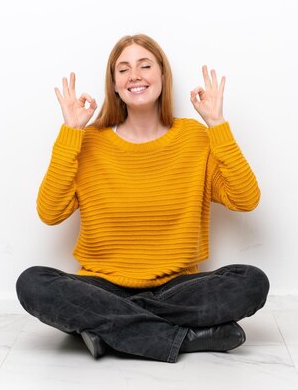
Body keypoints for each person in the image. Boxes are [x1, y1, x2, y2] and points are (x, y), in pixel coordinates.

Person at [16, 34, 269, 363]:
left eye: (145, 65)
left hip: (176, 287)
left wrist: (216, 124)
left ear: (162, 76)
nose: (134, 75)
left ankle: (108, 331)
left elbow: (246, 199)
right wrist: (71, 132)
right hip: (102, 286)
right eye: (123, 69)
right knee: (33, 283)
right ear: (115, 85)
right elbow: (49, 212)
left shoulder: (194, 137)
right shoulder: (88, 140)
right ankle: (184, 338)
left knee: (250, 282)